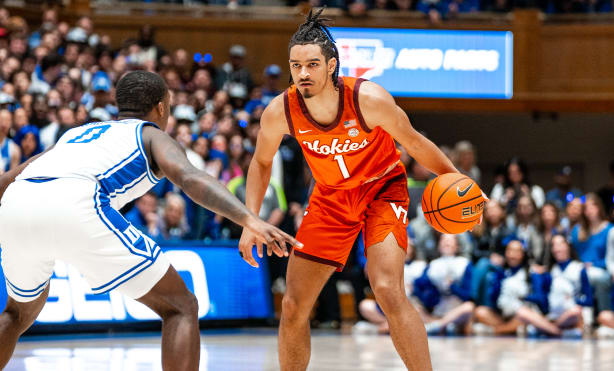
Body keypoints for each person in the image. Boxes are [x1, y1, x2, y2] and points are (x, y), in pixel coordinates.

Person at [0, 71, 300, 371]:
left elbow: (12, 178)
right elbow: (189, 177)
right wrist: (249, 218)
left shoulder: (77, 133)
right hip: (75, 202)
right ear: (161, 107)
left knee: (16, 314)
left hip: (16, 203)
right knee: (181, 307)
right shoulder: (150, 134)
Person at [239, 9, 470, 370]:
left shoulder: (369, 99)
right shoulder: (279, 111)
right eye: (295, 65)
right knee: (294, 305)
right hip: (331, 198)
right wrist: (250, 220)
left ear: (331, 65)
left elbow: (415, 143)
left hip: (382, 190)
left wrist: (459, 182)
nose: (302, 74)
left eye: (312, 64)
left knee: (388, 290)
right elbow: (261, 162)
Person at [515, 234, 593, 338]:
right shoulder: (550, 271)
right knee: (522, 312)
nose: (557, 248)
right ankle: (558, 332)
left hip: (570, 314)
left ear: (568, 246)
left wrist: (573, 300)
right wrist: (536, 279)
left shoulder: (579, 268)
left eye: (560, 244)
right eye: (554, 245)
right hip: (553, 315)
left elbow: (589, 300)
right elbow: (543, 300)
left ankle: (546, 329)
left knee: (575, 311)